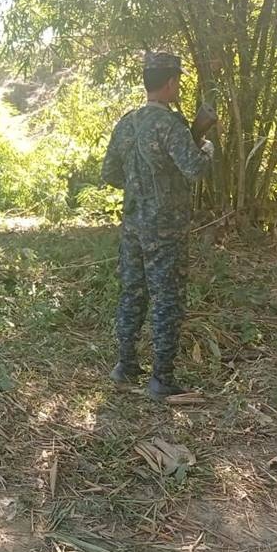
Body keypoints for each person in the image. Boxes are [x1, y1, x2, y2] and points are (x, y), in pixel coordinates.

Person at [101, 51, 214, 401]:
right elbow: (194, 169)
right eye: (177, 81)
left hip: (133, 225)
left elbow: (110, 174)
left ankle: (125, 365)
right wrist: (206, 147)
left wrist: (140, 185)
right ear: (170, 83)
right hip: (166, 229)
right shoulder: (169, 125)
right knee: (167, 298)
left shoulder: (128, 122)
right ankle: (161, 378)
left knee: (132, 292)